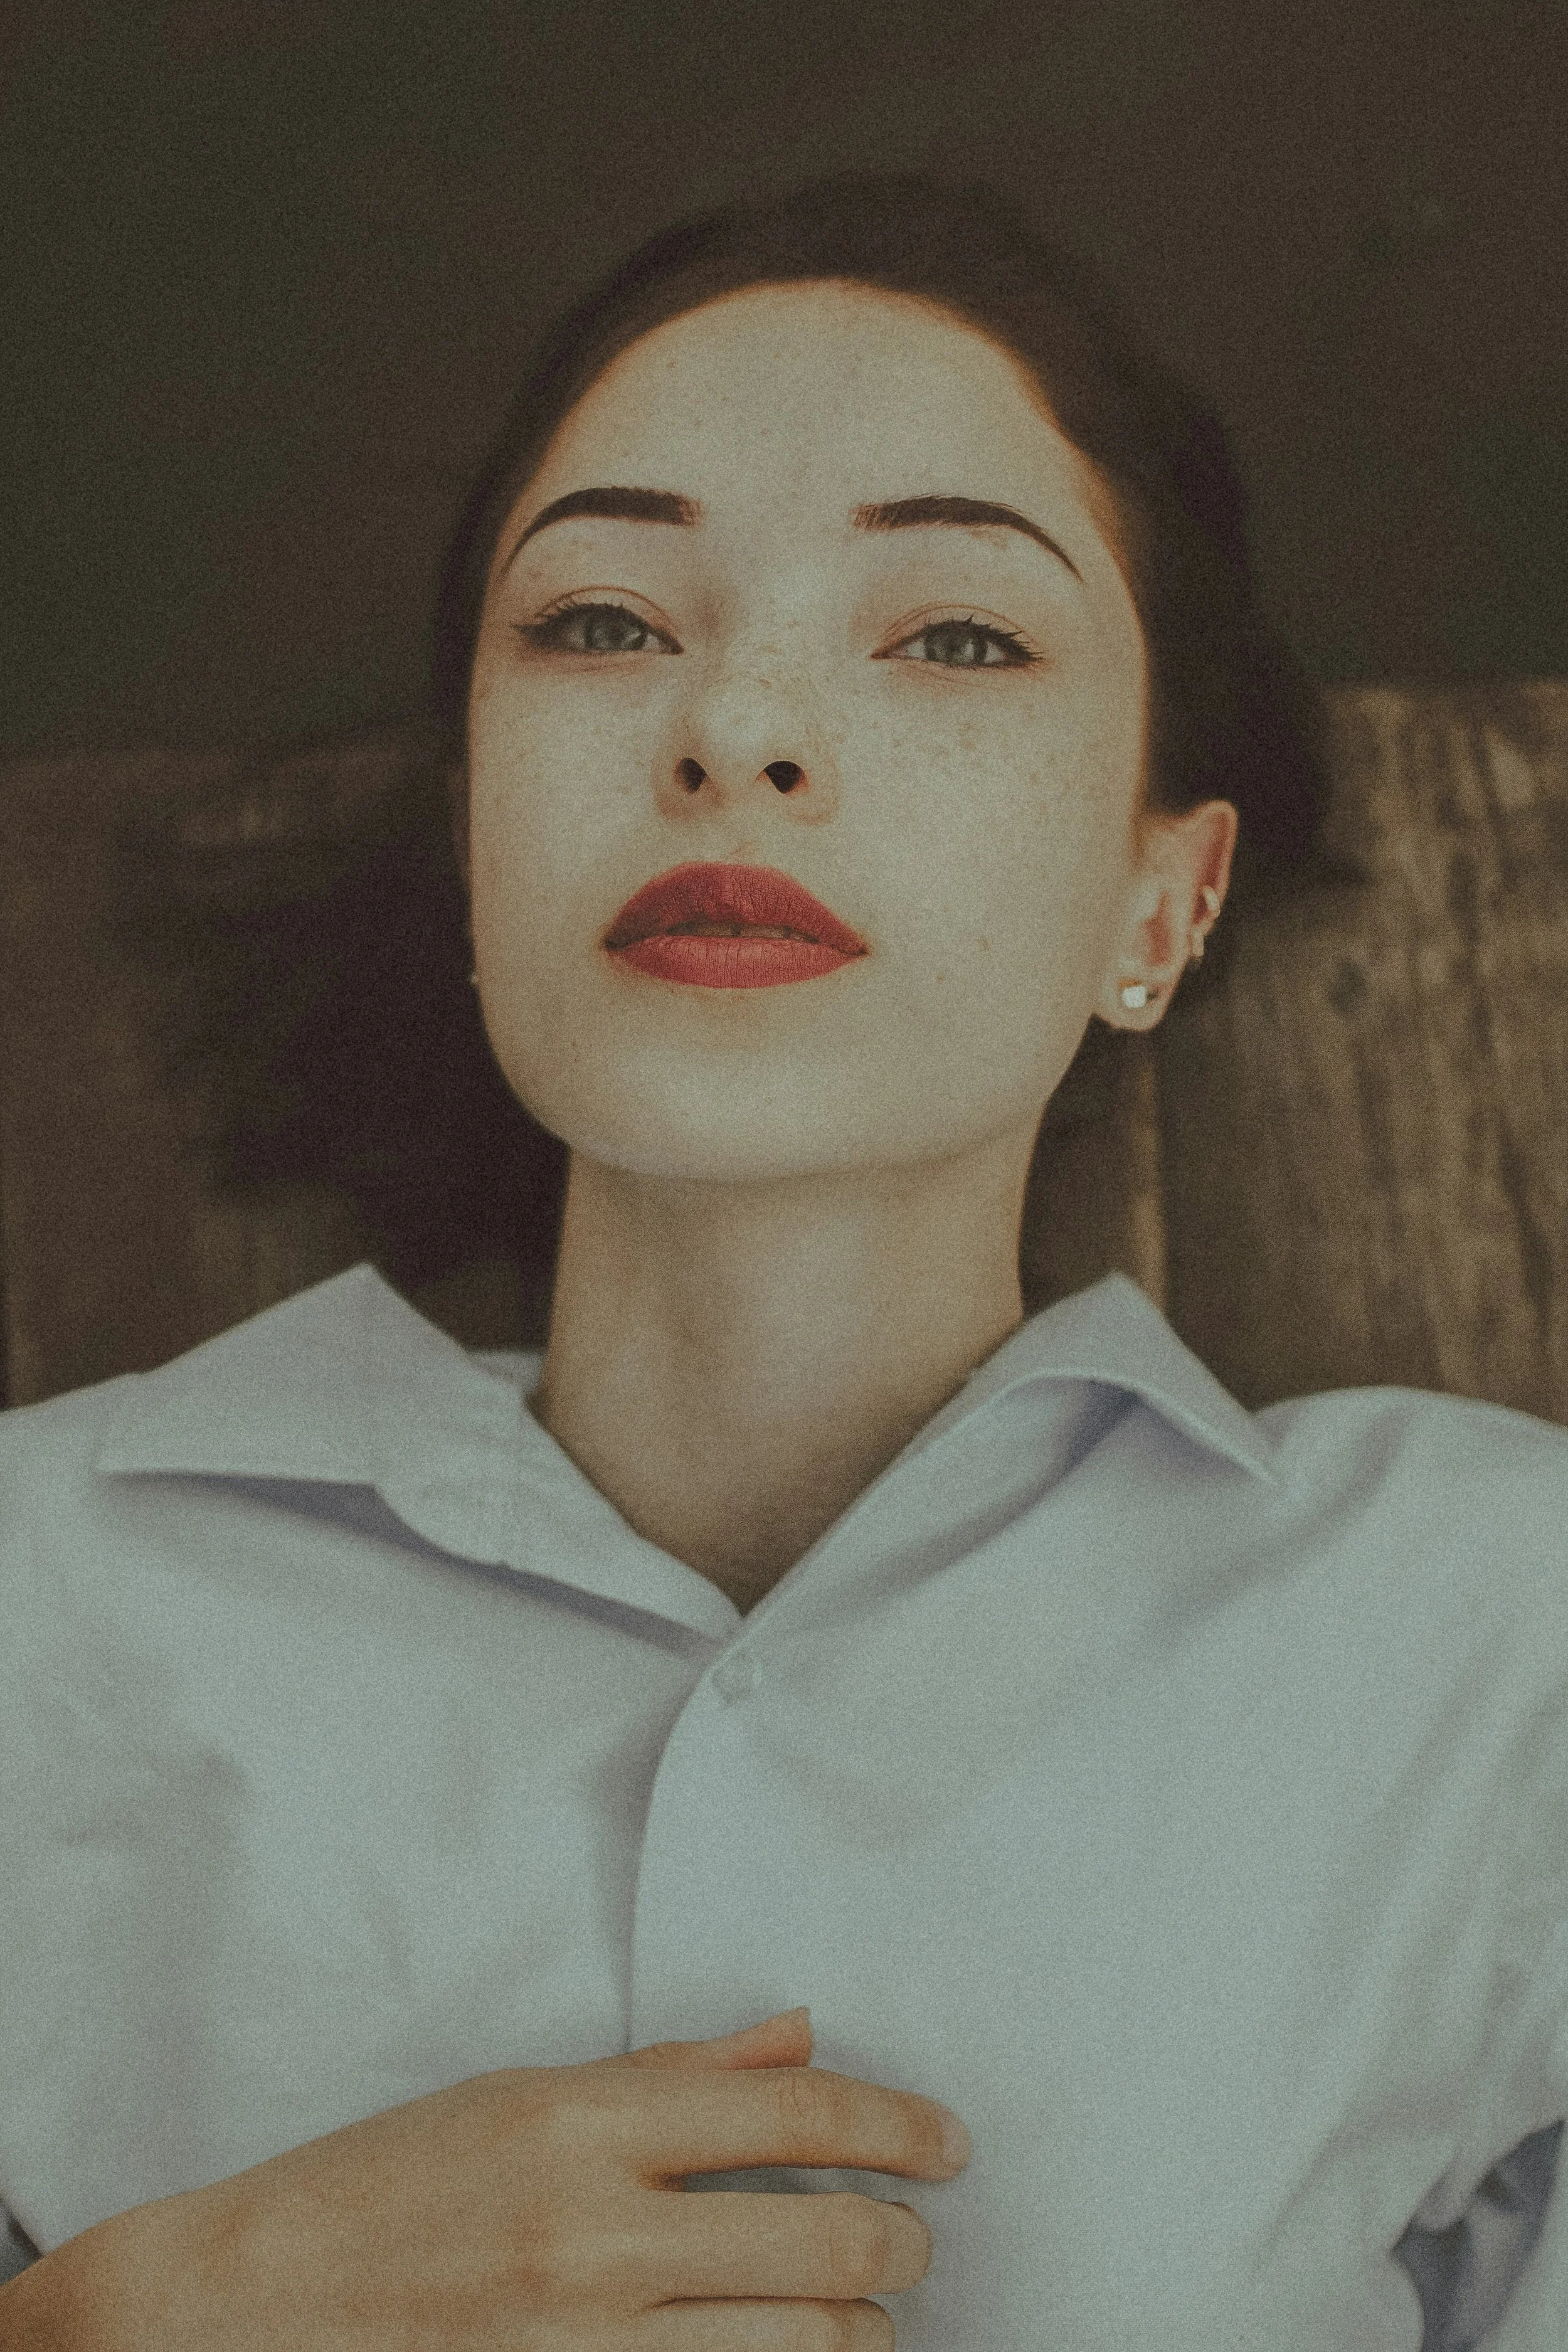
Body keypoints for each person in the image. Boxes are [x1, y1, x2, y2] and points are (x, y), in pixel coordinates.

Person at [2, 172, 1565, 2350]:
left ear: (1159, 899)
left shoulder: (1494, 1629)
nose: (732, 729)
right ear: (478, 820)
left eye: (953, 633)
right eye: (603, 624)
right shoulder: (35, 1587)